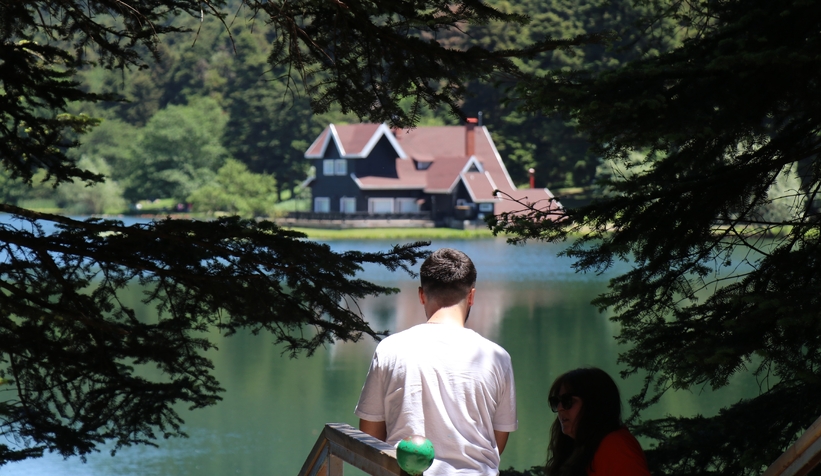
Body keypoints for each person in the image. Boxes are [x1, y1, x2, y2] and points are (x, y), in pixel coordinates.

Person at [355, 248, 518, 475]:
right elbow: (498, 439)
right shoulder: (497, 357)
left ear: (421, 295)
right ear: (471, 296)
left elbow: (370, 436)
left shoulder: (390, 349)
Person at [545, 368, 651, 476]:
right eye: (556, 402)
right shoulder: (580, 449)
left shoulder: (615, 446)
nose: (559, 408)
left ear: (594, 404)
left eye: (568, 401)